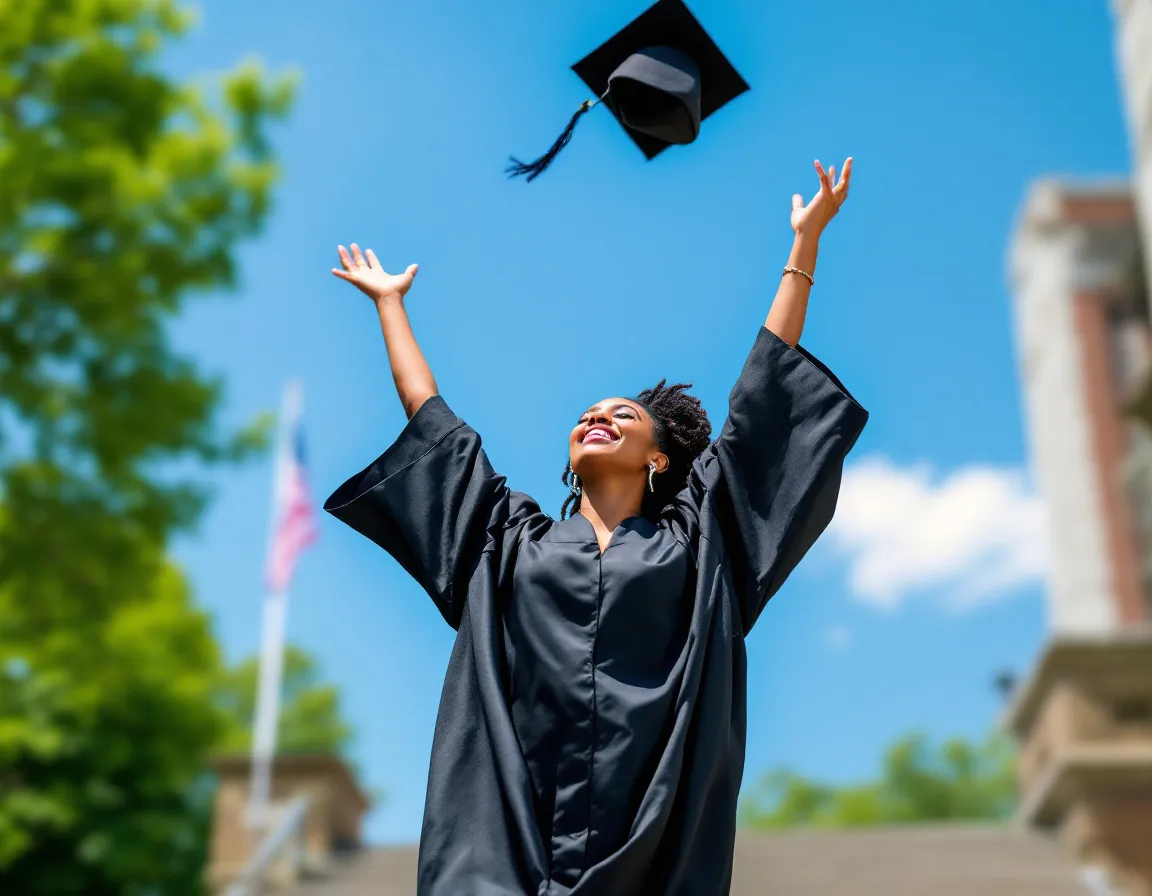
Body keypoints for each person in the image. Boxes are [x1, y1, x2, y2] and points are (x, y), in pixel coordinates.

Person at [325, 159, 867, 896]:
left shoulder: (698, 538)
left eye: (623, 415)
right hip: (511, 825)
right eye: (586, 414)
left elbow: (760, 402)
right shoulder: (507, 537)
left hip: (649, 826)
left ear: (660, 458)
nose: (597, 418)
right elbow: (433, 421)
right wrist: (390, 304)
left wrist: (802, 248)